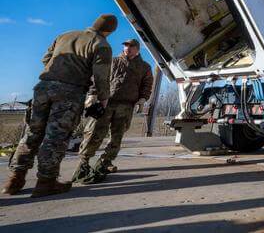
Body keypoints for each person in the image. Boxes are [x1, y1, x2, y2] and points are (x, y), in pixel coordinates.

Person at [2, 14, 117, 197]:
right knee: (55, 137)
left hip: (43, 87)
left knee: (32, 134)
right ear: (110, 31)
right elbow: (101, 76)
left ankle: (14, 180)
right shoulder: (101, 45)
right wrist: (103, 98)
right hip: (69, 92)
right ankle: (46, 182)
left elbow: (46, 59)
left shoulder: (65, 35)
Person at [74, 38, 153, 182]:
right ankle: (83, 164)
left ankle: (105, 162)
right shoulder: (113, 61)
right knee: (94, 134)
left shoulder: (144, 67)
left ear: (138, 49)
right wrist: (92, 93)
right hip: (105, 103)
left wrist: (143, 99)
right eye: (126, 45)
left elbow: (147, 85)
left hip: (126, 106)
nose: (128, 48)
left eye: (131, 46)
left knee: (117, 137)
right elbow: (98, 77)